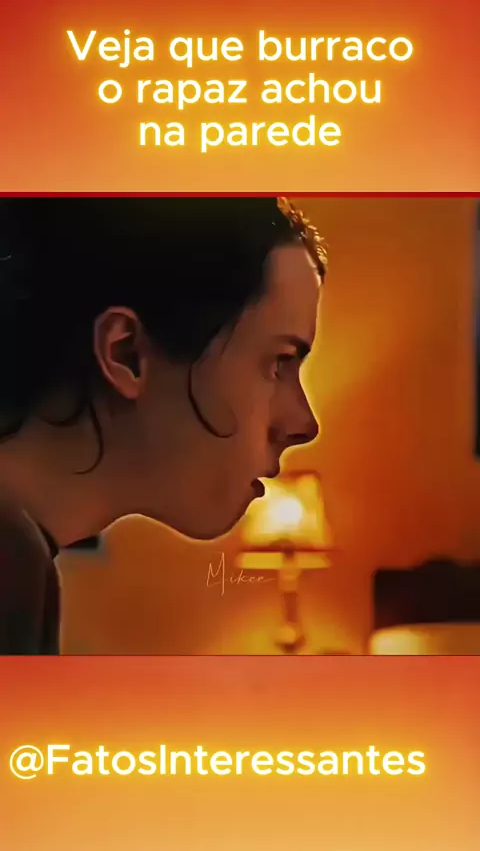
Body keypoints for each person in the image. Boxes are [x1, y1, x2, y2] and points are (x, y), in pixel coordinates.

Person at [0, 196, 327, 654]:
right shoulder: (11, 560)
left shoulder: (24, 555)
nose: (304, 424)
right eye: (278, 362)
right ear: (126, 355)